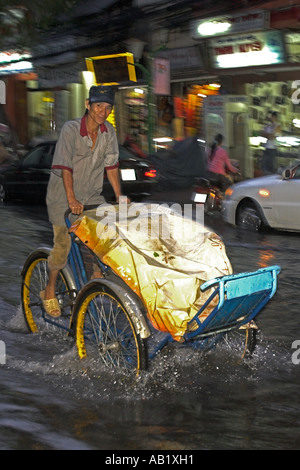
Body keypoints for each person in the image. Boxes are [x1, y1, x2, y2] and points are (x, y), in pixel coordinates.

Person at [41, 85, 126, 317]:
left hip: (91, 196)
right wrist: (71, 198)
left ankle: (95, 275)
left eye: (107, 107)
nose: (103, 111)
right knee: (63, 243)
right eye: (98, 106)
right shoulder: (71, 129)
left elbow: (111, 166)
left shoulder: (108, 132)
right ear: (88, 105)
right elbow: (64, 166)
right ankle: (49, 289)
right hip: (62, 196)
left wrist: (120, 197)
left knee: (104, 236)